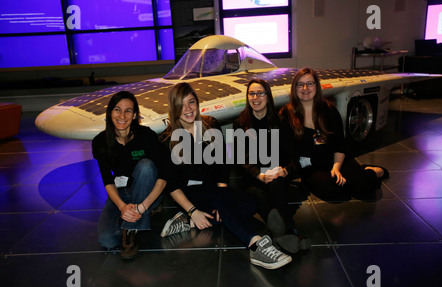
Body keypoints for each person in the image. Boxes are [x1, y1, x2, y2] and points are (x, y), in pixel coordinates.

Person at [159, 82, 292, 270]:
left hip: (213, 190)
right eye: (181, 104)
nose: (187, 109)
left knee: (250, 202)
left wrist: (223, 193)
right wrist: (192, 210)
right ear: (174, 108)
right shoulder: (167, 139)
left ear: (197, 103)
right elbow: (172, 186)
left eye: (191, 102)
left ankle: (187, 222)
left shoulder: (210, 124)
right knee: (221, 199)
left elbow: (222, 164)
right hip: (188, 195)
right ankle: (255, 244)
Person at [279, 67, 389, 202]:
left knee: (363, 186)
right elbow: (289, 151)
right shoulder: (286, 114)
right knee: (335, 192)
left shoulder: (329, 110)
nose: (305, 88)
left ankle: (373, 171)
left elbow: (340, 145)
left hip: (335, 159)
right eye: (300, 84)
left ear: (317, 87)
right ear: (294, 88)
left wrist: (336, 168)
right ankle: (353, 176)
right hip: (311, 167)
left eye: (310, 83)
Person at [233, 79, 310, 253]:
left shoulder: (280, 121)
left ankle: (279, 234)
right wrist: (259, 175)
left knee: (275, 184)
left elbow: (292, 157)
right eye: (251, 93)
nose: (256, 97)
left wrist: (284, 170)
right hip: (253, 177)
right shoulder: (240, 124)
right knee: (261, 194)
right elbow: (240, 159)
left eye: (260, 93)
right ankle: (289, 232)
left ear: (268, 96)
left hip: (276, 174)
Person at [92, 90, 168, 260]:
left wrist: (142, 206)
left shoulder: (146, 136)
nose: (122, 115)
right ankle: (137, 215)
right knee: (107, 240)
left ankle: (131, 230)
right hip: (121, 193)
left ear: (134, 115)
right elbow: (107, 180)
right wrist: (122, 207)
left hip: (148, 193)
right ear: (110, 112)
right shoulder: (100, 142)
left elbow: (164, 176)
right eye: (117, 109)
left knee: (146, 166)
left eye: (128, 111)